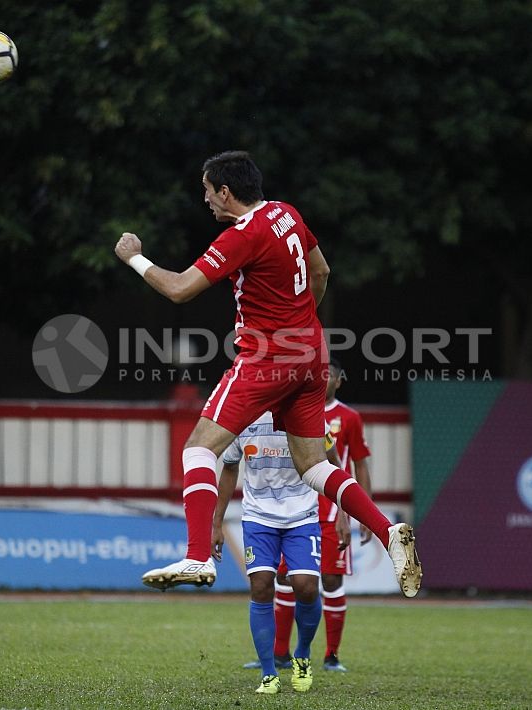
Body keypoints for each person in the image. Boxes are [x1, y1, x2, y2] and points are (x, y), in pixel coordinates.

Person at [114, 150, 421, 597]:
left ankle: (197, 556)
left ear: (225, 191)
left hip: (267, 358)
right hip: (312, 354)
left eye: (206, 191)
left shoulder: (242, 235)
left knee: (199, 448)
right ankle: (387, 530)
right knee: (313, 464)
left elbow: (180, 290)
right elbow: (321, 270)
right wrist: (299, 327)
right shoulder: (286, 213)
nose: (205, 201)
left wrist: (135, 259)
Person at [248, 358, 374, 672]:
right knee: (282, 577)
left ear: (338, 381)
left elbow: (356, 465)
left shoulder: (348, 418)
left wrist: (360, 515)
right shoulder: (291, 408)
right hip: (290, 512)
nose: (324, 379)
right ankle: (279, 654)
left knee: (329, 580)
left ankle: (331, 655)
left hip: (330, 511)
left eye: (329, 375)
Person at [212, 412, 329, 694]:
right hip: (258, 517)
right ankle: (268, 673)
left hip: (302, 516)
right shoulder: (243, 417)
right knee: (261, 586)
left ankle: (301, 654)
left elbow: (331, 462)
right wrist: (216, 522)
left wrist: (341, 511)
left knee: (306, 588)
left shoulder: (308, 414)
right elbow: (229, 468)